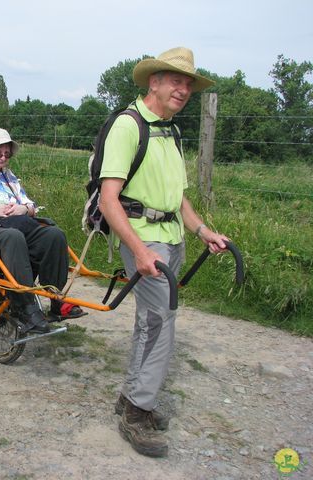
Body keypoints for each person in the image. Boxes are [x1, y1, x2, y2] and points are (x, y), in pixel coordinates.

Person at [98, 47, 230, 458]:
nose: (184, 89)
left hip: (172, 238)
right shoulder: (128, 125)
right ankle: (137, 414)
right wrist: (137, 249)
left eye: (188, 83)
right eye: (176, 80)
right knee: (160, 324)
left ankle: (131, 397)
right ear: (153, 81)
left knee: (152, 321)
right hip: (144, 240)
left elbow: (179, 198)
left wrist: (203, 230)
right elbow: (108, 199)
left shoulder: (169, 130)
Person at [0, 128, 85, 334]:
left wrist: (24, 209)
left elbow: (30, 205)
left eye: (7, 153)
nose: (3, 157)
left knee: (54, 235)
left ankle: (56, 299)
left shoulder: (8, 176)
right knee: (13, 237)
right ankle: (25, 308)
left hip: (14, 227)